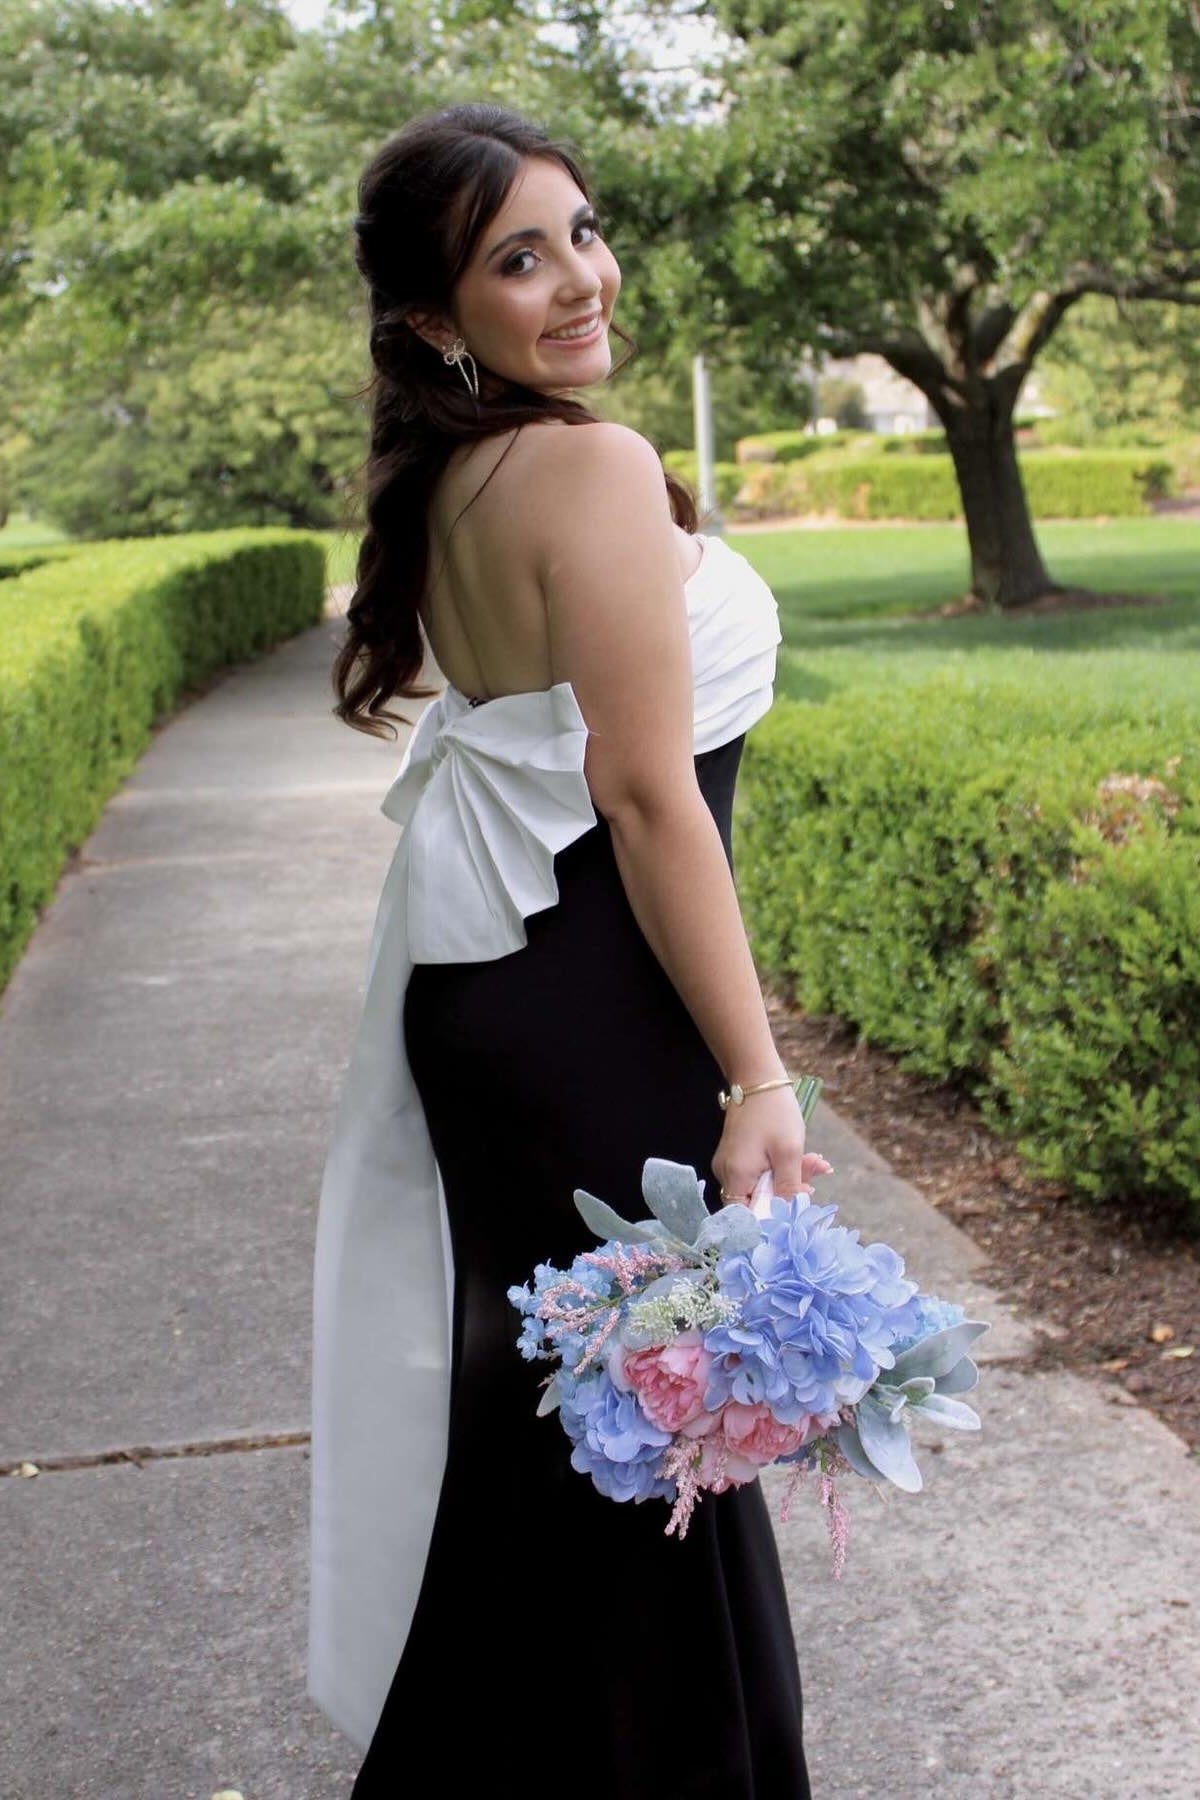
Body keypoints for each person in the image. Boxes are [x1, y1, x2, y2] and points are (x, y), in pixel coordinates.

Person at [309, 99, 826, 1798]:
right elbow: (647, 798)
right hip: (595, 1020)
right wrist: (757, 1074)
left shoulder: (468, 473)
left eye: (583, 232)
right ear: (433, 321)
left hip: (512, 1015)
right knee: (646, 1462)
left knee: (588, 1455)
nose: (581, 278)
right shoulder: (586, 465)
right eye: (518, 259)